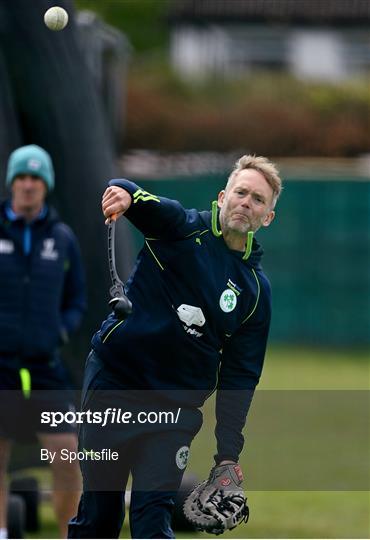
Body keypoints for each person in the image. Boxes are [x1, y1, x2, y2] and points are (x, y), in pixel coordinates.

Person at [68, 154, 282, 539]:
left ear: (267, 217)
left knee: (152, 520)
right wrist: (123, 195)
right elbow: (139, 196)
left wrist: (228, 454)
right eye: (241, 192)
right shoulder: (182, 227)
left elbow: (239, 377)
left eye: (258, 199)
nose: (246, 202)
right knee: (99, 516)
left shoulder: (254, 293)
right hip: (114, 386)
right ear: (223, 196)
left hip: (174, 410)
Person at [0, 145, 87, 538]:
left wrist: (61, 330)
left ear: (46, 185)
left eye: (36, 178)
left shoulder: (62, 238)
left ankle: (70, 532)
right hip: (1, 365)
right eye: (22, 177)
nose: (29, 185)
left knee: (67, 456)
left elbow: (77, 298)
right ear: (12, 183)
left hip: (45, 366)